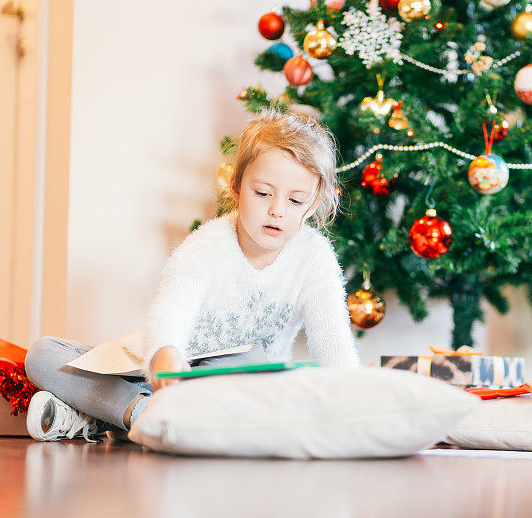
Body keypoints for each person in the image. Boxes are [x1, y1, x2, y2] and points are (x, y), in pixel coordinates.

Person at [24, 109, 361, 442]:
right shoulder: (208, 243)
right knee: (43, 354)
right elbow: (173, 306)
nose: (277, 209)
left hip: (238, 388)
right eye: (263, 193)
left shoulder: (314, 258)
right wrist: (165, 352)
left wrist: (356, 403)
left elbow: (333, 341)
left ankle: (112, 416)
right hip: (161, 377)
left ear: (314, 202)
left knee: (248, 360)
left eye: (295, 200)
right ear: (236, 187)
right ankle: (143, 414)